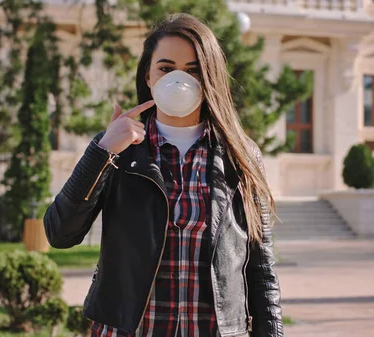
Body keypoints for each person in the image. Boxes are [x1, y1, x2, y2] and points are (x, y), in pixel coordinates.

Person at [44, 13, 282, 337]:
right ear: (148, 75)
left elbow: (261, 269)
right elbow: (60, 234)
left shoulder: (239, 155)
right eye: (167, 68)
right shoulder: (120, 150)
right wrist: (103, 151)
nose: (179, 80)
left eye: (193, 70)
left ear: (209, 77)